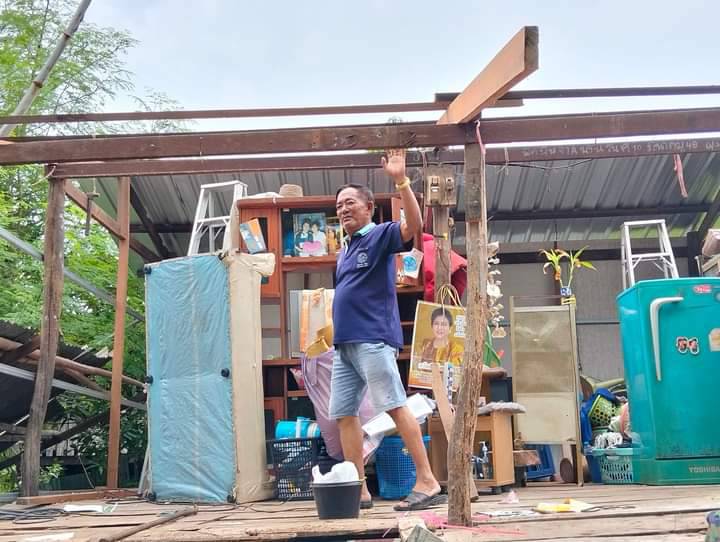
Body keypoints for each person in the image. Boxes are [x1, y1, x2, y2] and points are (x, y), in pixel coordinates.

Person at [330, 148, 446, 512]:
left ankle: (427, 480)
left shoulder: (379, 235)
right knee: (344, 415)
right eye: (338, 206)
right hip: (344, 346)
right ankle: (358, 488)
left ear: (368, 207)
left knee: (395, 406)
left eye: (349, 203)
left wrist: (401, 181)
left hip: (373, 340)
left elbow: (414, 225)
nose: (343, 210)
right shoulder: (344, 251)